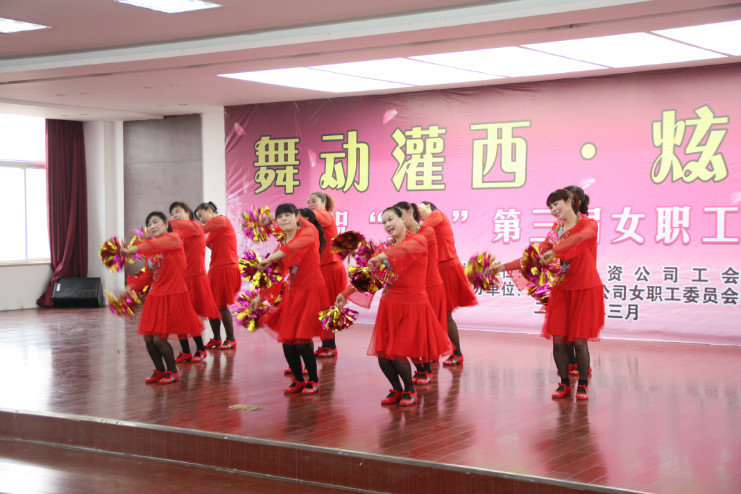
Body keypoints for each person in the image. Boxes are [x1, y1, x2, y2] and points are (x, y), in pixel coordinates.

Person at [488, 189, 604, 400]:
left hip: (585, 288)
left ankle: (583, 384)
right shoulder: (555, 230)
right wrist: (502, 267)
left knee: (579, 341)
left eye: (556, 204)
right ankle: (564, 383)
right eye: (550, 207)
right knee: (558, 340)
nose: (553, 210)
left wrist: (556, 251)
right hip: (561, 290)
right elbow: (536, 256)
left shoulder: (588, 224)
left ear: (569, 201)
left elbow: (582, 237)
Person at [337, 206, 452, 406]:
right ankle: (397, 389)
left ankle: (410, 390)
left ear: (403, 218)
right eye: (384, 222)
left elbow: (405, 249)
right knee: (383, 355)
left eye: (391, 219)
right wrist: (345, 294)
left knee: (397, 352)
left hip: (413, 305)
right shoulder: (383, 247)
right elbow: (371, 276)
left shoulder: (418, 240)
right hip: (389, 304)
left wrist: (383, 257)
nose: (387, 225)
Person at [250, 204, 329, 395]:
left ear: (297, 217)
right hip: (292, 294)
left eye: (288, 215)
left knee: (301, 340)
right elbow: (276, 274)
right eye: (280, 217)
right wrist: (259, 297)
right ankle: (298, 380)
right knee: (287, 341)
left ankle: (314, 381)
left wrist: (270, 257)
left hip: (311, 292)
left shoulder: (308, 233)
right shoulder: (282, 244)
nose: (284, 219)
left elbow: (290, 248)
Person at [121, 211, 203, 384]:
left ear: (166, 224)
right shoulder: (151, 250)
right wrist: (128, 288)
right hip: (155, 297)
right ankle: (159, 370)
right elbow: (147, 277)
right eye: (148, 224)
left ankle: (173, 372)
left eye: (155, 222)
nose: (151, 226)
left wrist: (131, 250)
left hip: (173, 295)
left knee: (159, 338)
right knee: (148, 338)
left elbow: (156, 244)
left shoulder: (174, 239)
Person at [417, 201, 477, 366]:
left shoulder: (437, 214)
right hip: (437, 268)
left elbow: (418, 233)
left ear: (428, 206)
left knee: (445, 314)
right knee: (434, 313)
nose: (416, 211)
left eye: (418, 207)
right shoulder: (429, 224)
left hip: (446, 266)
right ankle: (435, 352)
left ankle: (457, 353)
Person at [395, 201, 448, 385]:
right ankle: (421, 368)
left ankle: (426, 370)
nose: (399, 220)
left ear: (410, 212)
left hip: (430, 286)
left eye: (401, 215)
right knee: (411, 331)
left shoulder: (427, 231)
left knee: (424, 331)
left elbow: (411, 250)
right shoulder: (402, 236)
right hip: (412, 289)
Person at [169, 201, 221, 363]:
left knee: (190, 315)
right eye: (172, 214)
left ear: (187, 212)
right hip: (180, 279)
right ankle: (185, 351)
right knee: (179, 315)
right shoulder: (176, 233)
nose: (174, 216)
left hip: (196, 278)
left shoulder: (195, 226)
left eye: (177, 211)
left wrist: (163, 222)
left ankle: (200, 348)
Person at [307, 191, 348, 358]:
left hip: (331, 270)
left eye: (314, 201)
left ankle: (330, 346)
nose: (310, 205)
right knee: (321, 308)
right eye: (308, 202)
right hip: (321, 269)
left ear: (323, 203)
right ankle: (326, 344)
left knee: (327, 308)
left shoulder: (324, 215)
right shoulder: (312, 222)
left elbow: (306, 216)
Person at [194, 202, 240, 350]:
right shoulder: (211, 229)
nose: (201, 219)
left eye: (201, 215)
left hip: (226, 267)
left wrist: (184, 230)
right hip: (215, 268)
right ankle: (216, 338)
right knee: (211, 304)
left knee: (220, 305)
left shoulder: (222, 220)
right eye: (198, 218)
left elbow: (199, 231)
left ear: (209, 210)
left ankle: (231, 339)